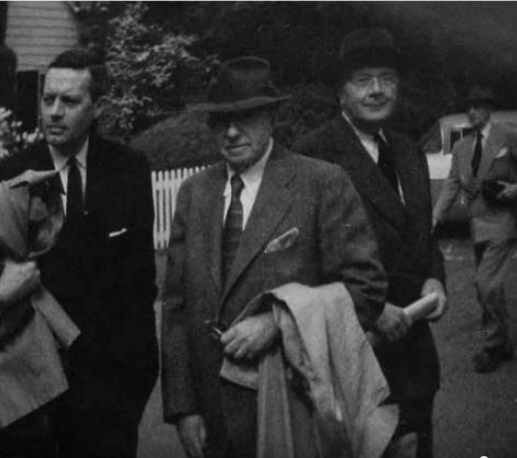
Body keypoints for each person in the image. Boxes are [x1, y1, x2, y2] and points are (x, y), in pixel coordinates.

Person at [161, 56, 392, 458]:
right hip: (212, 418)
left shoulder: (320, 182)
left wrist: (278, 322)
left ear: (270, 117)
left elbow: (367, 290)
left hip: (291, 410)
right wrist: (184, 409)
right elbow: (177, 309)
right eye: (220, 120)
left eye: (245, 117)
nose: (231, 132)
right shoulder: (194, 193)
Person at [0, 48, 159, 458]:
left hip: (105, 405)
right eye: (48, 99)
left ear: (96, 107)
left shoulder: (129, 171)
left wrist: (133, 381)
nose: (54, 112)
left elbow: (141, 286)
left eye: (70, 101)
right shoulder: (2, 178)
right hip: (22, 402)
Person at [292, 28, 448, 458]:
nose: (377, 90)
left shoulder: (407, 149)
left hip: (415, 362)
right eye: (363, 80)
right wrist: (370, 310)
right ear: (341, 93)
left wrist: (435, 279)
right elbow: (301, 263)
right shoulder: (313, 156)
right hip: (357, 361)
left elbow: (421, 237)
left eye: (387, 78)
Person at [433, 87, 517, 373]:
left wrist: (514, 191)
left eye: (478, 106)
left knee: (487, 284)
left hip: (503, 222)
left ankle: (492, 345)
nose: (471, 112)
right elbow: (452, 184)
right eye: (468, 107)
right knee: (488, 288)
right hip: (477, 225)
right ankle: (503, 342)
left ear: (489, 109)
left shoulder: (507, 135)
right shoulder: (461, 147)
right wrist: (435, 217)